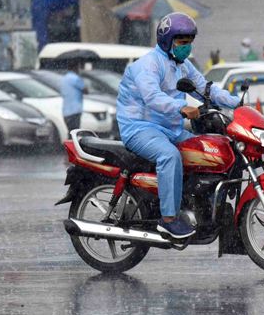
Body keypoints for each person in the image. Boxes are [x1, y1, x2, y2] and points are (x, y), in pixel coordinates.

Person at [117, 13, 240, 240]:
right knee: (169, 156)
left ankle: (200, 205)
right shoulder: (148, 65)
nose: (186, 47)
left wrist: (237, 103)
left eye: (189, 42)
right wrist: (180, 108)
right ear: (167, 40)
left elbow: (205, 89)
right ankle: (169, 219)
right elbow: (152, 97)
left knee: (206, 150)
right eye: (182, 42)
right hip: (139, 128)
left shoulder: (182, 65)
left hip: (169, 129)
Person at [61, 59, 87, 133]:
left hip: (66, 111)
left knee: (70, 132)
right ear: (75, 67)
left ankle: (67, 144)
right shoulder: (75, 78)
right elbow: (86, 90)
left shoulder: (64, 78)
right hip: (74, 110)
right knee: (75, 133)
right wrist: (81, 78)